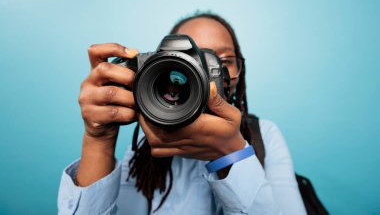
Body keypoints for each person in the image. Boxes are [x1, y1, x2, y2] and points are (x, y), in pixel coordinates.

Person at [57, 12, 307, 215]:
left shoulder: (265, 135)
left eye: (221, 61)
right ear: (154, 71)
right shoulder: (146, 144)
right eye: (190, 61)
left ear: (239, 72)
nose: (203, 75)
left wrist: (231, 154)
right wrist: (98, 140)